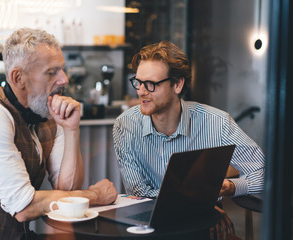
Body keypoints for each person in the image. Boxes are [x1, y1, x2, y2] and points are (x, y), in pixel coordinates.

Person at [0, 28, 117, 240]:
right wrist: (95, 196)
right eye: (51, 72)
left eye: (62, 70)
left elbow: (67, 190)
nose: (64, 80)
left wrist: (71, 130)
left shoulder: (45, 112)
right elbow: (24, 208)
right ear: (18, 78)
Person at [113, 41, 265, 239]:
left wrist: (231, 186)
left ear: (177, 84)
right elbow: (138, 193)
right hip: (152, 226)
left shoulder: (216, 123)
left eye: (150, 84)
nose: (141, 91)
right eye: (138, 82)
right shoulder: (125, 125)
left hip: (203, 228)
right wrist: (201, 208)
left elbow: (266, 174)